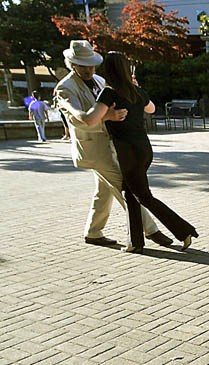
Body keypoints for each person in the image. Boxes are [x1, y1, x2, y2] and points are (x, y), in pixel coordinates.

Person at [65, 51, 198, 253]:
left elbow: (90, 119)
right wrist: (136, 89)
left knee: (144, 197)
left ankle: (183, 230)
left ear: (108, 71)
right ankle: (135, 243)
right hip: (144, 149)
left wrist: (74, 108)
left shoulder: (109, 93)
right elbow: (151, 109)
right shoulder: (137, 91)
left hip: (128, 153)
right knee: (130, 194)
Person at [54, 40, 173, 248]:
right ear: (72, 64)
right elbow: (78, 122)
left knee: (104, 190)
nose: (88, 69)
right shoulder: (65, 88)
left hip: (114, 145)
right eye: (83, 65)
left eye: (91, 64)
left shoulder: (100, 80)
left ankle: (93, 232)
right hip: (93, 148)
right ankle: (151, 230)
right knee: (125, 187)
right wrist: (108, 116)